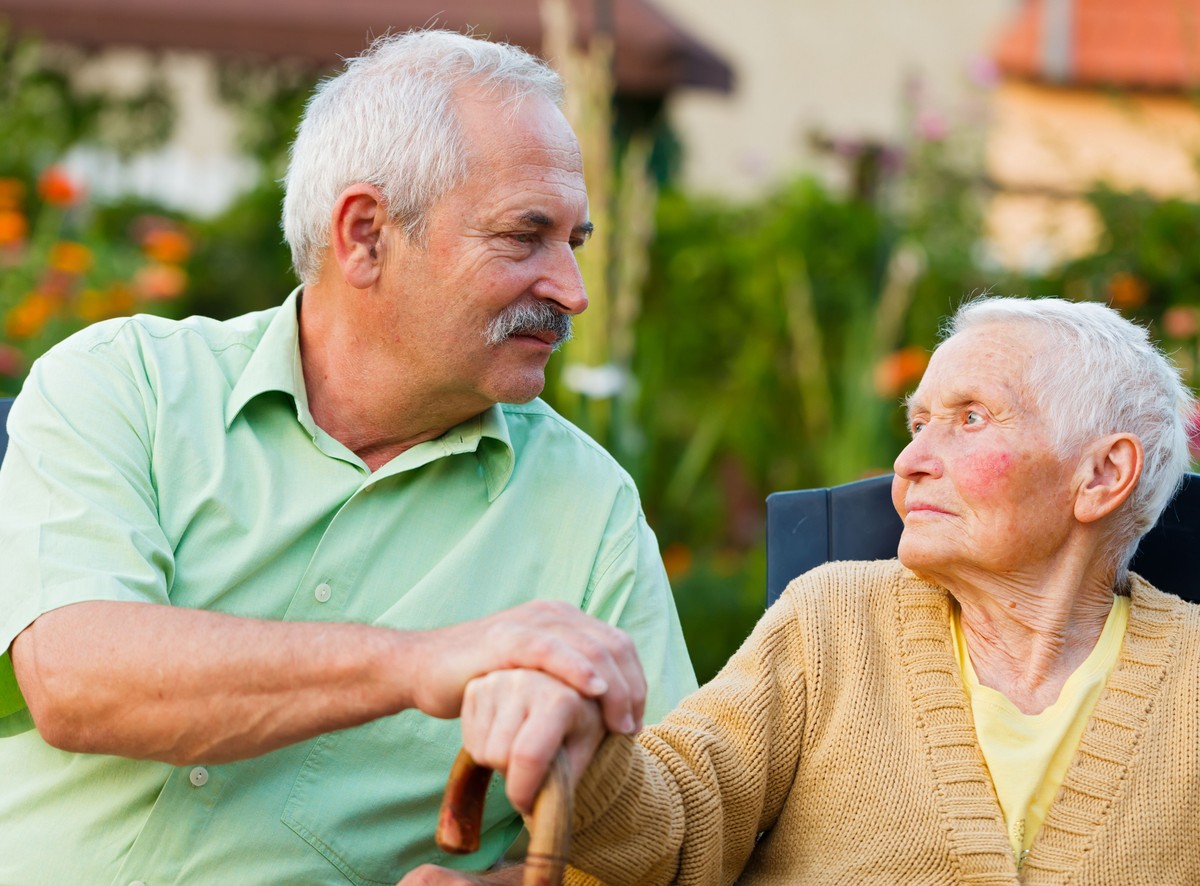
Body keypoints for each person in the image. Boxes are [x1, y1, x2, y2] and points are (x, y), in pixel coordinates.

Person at [0, 29, 696, 884]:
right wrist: (420, 663)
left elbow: (673, 827)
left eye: (573, 242)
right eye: (525, 237)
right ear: (365, 234)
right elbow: (75, 678)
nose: (572, 290)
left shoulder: (590, 510)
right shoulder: (124, 382)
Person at [430, 296, 1200, 885]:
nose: (910, 462)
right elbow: (682, 819)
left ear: (1102, 476)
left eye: (970, 418)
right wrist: (586, 744)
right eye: (916, 422)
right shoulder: (831, 620)